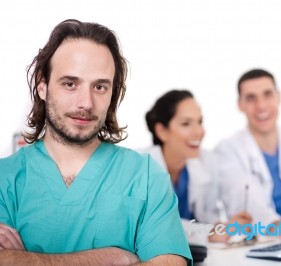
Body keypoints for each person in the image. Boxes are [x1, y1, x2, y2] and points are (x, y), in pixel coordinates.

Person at [0, 19, 191, 265]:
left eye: (100, 87)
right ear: (42, 85)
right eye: (70, 84)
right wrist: (113, 257)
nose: (86, 103)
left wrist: (24, 259)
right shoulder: (5, 178)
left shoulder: (145, 176)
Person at [144, 90, 252, 242]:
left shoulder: (207, 161)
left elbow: (208, 215)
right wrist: (210, 233)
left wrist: (224, 226)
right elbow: (157, 224)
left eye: (199, 122)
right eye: (186, 123)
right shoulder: (141, 167)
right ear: (162, 131)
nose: (199, 132)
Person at [214, 69, 281, 232]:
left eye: (268, 94)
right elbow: (240, 198)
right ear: (240, 105)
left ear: (279, 97)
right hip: (267, 239)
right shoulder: (227, 151)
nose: (261, 106)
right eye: (251, 98)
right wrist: (278, 227)